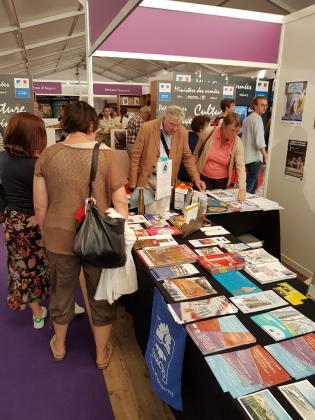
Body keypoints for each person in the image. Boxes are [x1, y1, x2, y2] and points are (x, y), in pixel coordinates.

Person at [33, 101, 128, 368]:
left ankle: (60, 346)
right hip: (99, 239)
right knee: (100, 295)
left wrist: (47, 232)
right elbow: (121, 203)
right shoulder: (108, 155)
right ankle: (100, 354)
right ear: (90, 125)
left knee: (61, 292)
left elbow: (40, 205)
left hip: (58, 235)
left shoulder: (48, 155)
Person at [0, 112, 49, 328]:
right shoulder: (36, 165)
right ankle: (56, 305)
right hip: (35, 221)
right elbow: (46, 200)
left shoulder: (2, 158)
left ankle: (37, 313)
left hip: (12, 220)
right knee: (45, 266)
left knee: (21, 268)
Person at [128, 106, 205, 212]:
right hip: (148, 178)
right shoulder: (147, 128)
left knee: (163, 212)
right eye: (172, 124)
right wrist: (132, 182)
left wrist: (196, 179)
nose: (175, 128)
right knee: (150, 212)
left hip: (167, 180)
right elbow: (135, 155)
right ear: (164, 118)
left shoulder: (182, 132)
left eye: (178, 125)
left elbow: (187, 157)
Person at [194, 113, 246, 202]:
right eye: (232, 130)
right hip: (203, 179)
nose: (234, 134)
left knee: (218, 209)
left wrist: (242, 189)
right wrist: (195, 177)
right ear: (223, 125)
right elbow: (195, 153)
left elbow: (240, 166)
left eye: (237, 131)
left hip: (222, 182)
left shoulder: (237, 143)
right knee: (200, 207)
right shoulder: (209, 132)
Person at [242, 96, 268, 193]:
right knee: (250, 186)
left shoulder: (247, 119)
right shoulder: (257, 119)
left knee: (252, 185)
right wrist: (266, 156)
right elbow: (259, 141)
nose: (264, 107)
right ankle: (242, 205)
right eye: (262, 105)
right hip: (254, 158)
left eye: (265, 105)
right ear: (255, 106)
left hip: (247, 157)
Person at [178, 115, 210, 182]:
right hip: (188, 176)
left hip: (181, 174)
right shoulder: (196, 142)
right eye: (207, 126)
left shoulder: (189, 136)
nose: (209, 129)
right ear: (201, 129)